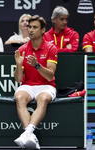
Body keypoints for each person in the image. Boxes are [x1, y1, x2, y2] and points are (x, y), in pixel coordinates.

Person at [14, 15, 58, 149]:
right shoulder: (22, 49)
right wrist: (18, 65)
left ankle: (26, 133)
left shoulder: (51, 48)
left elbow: (50, 76)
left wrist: (37, 65)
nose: (31, 30)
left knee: (43, 99)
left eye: (35, 27)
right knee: (19, 97)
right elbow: (18, 79)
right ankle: (30, 136)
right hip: (27, 85)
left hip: (46, 86)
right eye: (29, 27)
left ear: (43, 30)